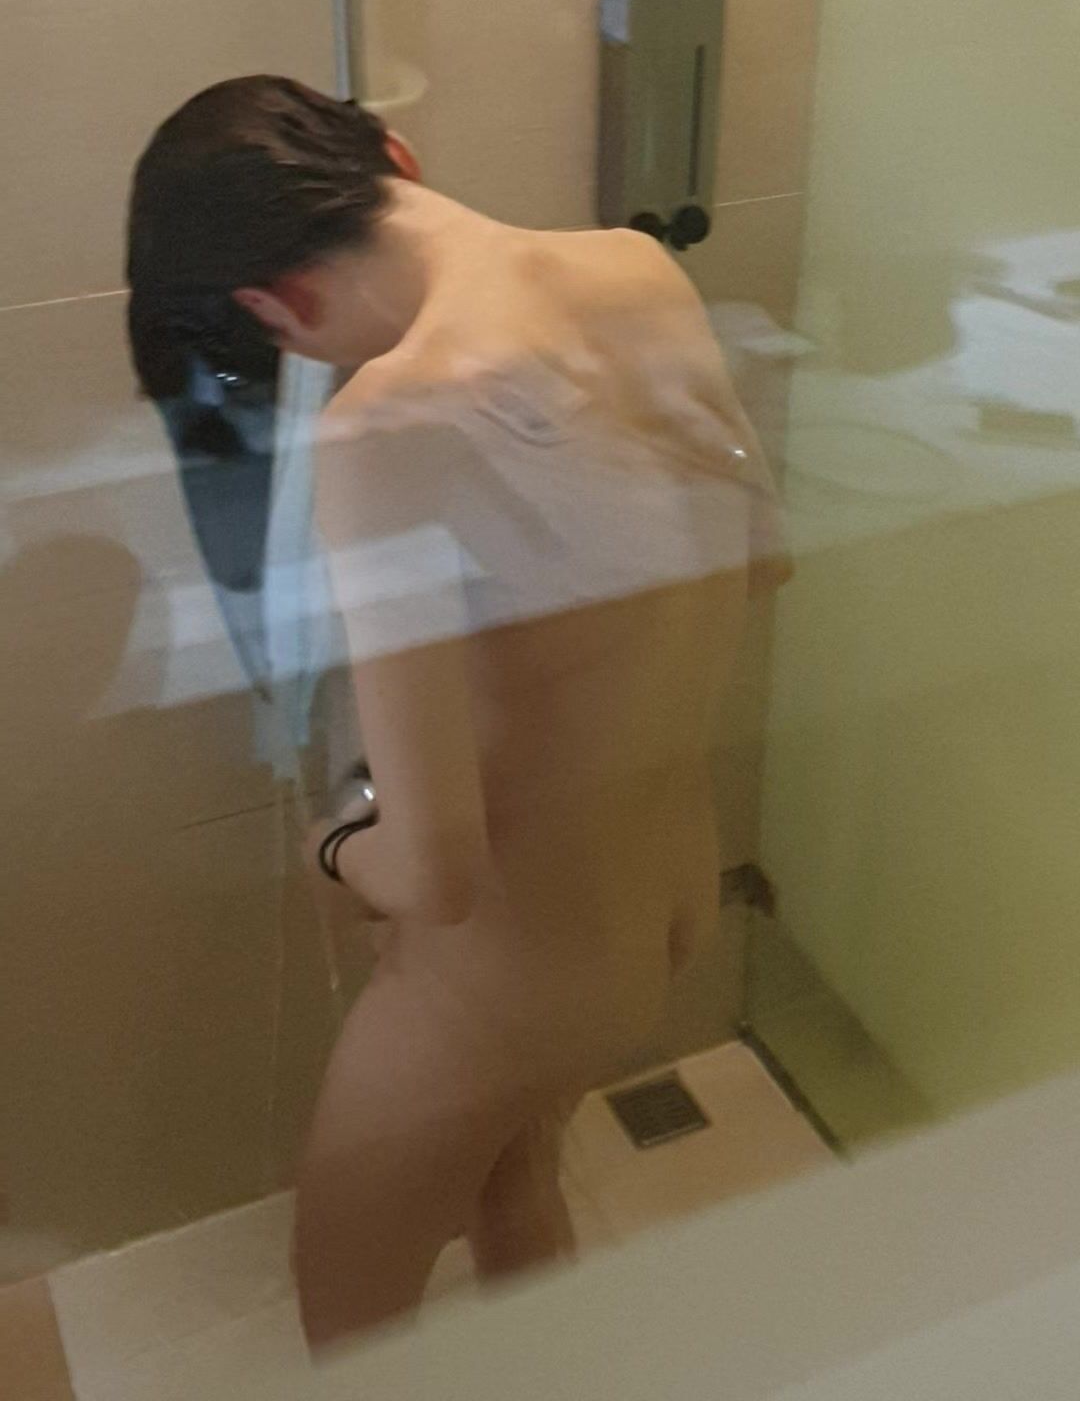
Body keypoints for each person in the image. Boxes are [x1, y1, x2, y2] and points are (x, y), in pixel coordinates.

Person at [126, 75, 787, 1350]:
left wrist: (334, 843)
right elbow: (758, 562)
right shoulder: (638, 268)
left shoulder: (387, 424)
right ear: (399, 154)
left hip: (512, 971)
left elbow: (433, 873)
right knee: (510, 1178)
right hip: (664, 894)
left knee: (351, 1311)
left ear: (276, 304)